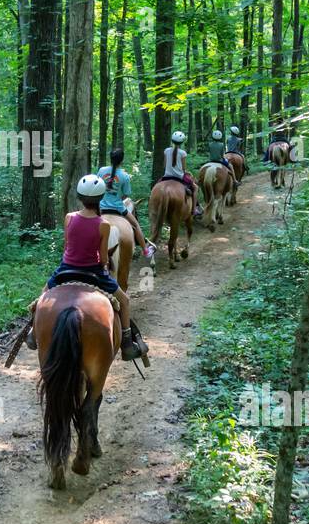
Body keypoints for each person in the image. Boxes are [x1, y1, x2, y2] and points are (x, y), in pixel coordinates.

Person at [41, 174, 146, 361]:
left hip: (66, 268)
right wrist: (104, 265)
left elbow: (67, 246)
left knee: (43, 296)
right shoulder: (103, 225)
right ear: (101, 198)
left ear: (80, 197)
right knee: (125, 301)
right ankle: (128, 344)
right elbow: (103, 257)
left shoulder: (69, 217)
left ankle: (34, 332)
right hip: (93, 271)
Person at [98, 147, 155, 265]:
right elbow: (126, 195)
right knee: (135, 225)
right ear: (121, 161)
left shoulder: (102, 170)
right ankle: (145, 250)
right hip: (118, 209)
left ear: (110, 158)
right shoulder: (124, 176)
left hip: (100, 208)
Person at [161, 130, 202, 219]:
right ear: (182, 142)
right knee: (195, 187)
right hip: (179, 177)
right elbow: (183, 169)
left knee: (156, 187)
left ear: (172, 140)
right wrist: (186, 172)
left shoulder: (166, 150)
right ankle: (194, 209)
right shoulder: (183, 153)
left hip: (166, 177)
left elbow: (164, 165)